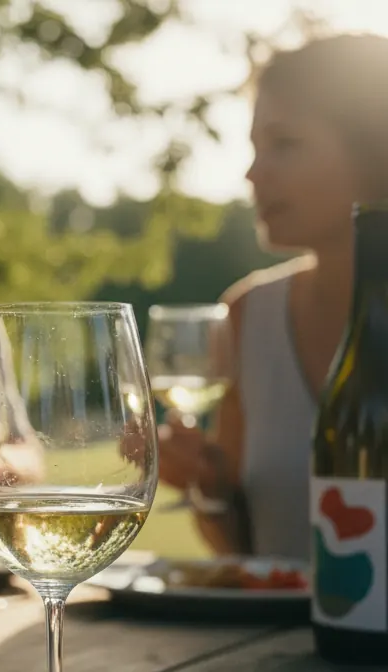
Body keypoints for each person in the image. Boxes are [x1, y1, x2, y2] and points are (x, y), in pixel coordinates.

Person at [158, 33, 388, 557]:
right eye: (255, 148)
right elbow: (245, 555)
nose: (253, 173)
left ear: (375, 148)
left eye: (284, 144)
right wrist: (208, 486)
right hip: (279, 644)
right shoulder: (248, 316)